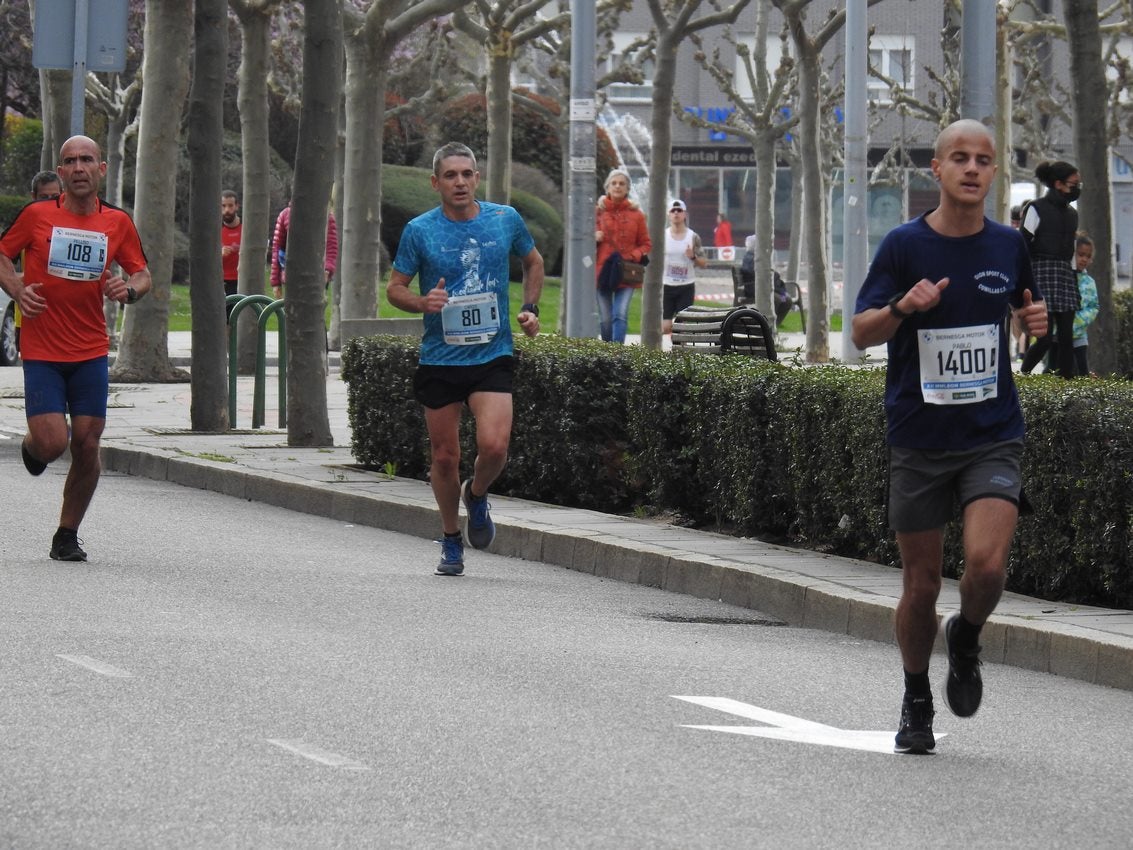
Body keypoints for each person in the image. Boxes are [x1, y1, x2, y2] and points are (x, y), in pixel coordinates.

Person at [850, 119, 1048, 755]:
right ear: (934, 170)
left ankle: (965, 637)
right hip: (918, 434)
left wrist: (1033, 319)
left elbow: (1025, 311)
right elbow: (861, 331)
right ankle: (915, 696)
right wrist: (905, 307)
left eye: (983, 160)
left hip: (993, 433)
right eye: (958, 158)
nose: (971, 168)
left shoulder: (1008, 245)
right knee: (922, 583)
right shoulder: (905, 245)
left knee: (987, 567)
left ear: (994, 173)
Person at [386, 142, 543, 577]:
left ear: (477, 178)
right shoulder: (420, 230)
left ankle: (477, 494)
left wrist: (531, 309)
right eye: (450, 175)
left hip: (493, 353)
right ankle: (451, 540)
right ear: (436, 182)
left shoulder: (503, 219)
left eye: (467, 174)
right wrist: (423, 301)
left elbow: (533, 261)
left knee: (494, 446)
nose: (460, 182)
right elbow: (394, 288)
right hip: (441, 357)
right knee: (444, 457)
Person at [0, 134, 152, 562]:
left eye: (88, 159)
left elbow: (143, 274)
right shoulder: (36, 215)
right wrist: (15, 288)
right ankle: (33, 448)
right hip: (44, 348)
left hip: (89, 350)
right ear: (61, 173)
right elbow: (2, 253)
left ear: (101, 169)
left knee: (87, 443)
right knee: (53, 441)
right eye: (71, 161)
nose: (80, 167)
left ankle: (67, 533)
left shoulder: (117, 223)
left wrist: (130, 290)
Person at [1019, 161, 1081, 378]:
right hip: (1040, 272)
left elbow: (1072, 250)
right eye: (1074, 184)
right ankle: (1023, 376)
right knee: (1044, 337)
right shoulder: (1035, 208)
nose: (1077, 188)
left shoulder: (1072, 214)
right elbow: (1023, 244)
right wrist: (1023, 280)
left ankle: (1066, 383)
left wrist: (1075, 280)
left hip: (1064, 275)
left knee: (1066, 337)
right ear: (1058, 184)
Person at [595, 167, 650, 344]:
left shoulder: (637, 215)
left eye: (622, 184)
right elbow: (580, 241)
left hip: (627, 272)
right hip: (602, 272)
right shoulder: (597, 212)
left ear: (627, 189)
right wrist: (593, 237)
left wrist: (632, 256)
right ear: (607, 187)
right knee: (605, 319)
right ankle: (607, 350)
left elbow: (646, 244)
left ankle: (617, 353)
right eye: (614, 183)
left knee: (620, 314)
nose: (617, 186)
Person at [13, 171, 64, 354]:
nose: (50, 201)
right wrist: (18, 281)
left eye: (55, 197)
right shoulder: (25, 224)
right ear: (33, 197)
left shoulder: (71, 224)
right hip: (30, 318)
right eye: (44, 197)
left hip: (67, 319)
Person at [270, 199, 338, 300]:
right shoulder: (286, 215)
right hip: (292, 274)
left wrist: (327, 270)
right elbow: (277, 249)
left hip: (317, 274)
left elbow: (331, 246)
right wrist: (275, 282)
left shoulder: (326, 216)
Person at [661, 199, 707, 336]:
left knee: (683, 327)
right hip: (666, 285)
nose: (676, 213)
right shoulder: (663, 236)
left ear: (685, 214)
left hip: (686, 286)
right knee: (666, 327)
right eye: (673, 211)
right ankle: (674, 345)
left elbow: (704, 263)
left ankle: (679, 353)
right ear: (668, 214)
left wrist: (693, 257)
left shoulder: (693, 237)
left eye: (679, 210)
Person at [1069, 232, 1098, 377]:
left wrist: (1078, 321)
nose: (1084, 259)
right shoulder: (1065, 276)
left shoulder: (1089, 282)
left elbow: (1093, 307)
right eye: (1081, 254)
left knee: (1082, 369)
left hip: (1080, 334)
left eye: (1088, 256)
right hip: (1060, 334)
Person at [221, 189, 242, 317]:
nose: (227, 210)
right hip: (223, 281)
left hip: (241, 281)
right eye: (223, 206)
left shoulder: (246, 228)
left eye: (230, 206)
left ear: (237, 206)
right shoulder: (215, 229)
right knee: (224, 320)